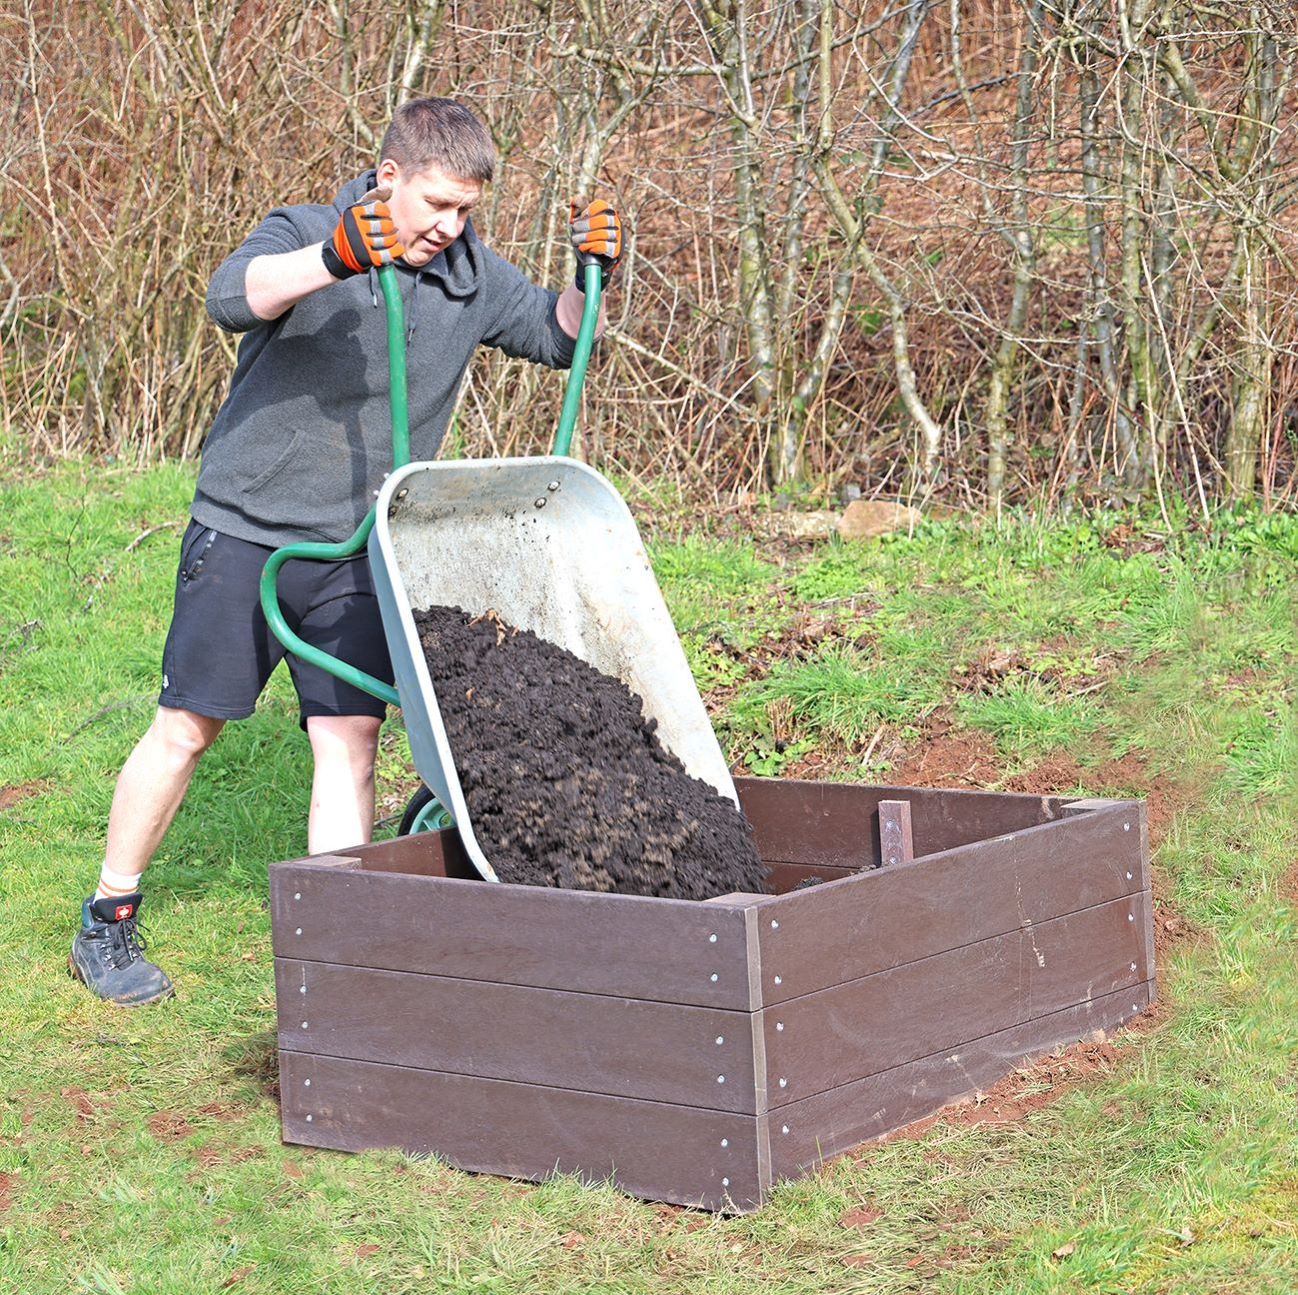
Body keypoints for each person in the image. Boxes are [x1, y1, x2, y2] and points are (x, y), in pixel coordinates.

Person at [69, 97, 624, 1006]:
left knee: (350, 740)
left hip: (361, 545)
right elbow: (230, 296)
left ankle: (337, 948)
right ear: (388, 176)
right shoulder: (304, 231)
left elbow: (556, 336)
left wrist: (591, 274)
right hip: (247, 527)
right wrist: (333, 260)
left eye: (466, 210)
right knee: (188, 726)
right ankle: (108, 914)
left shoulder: (470, 276)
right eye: (436, 204)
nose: (450, 227)